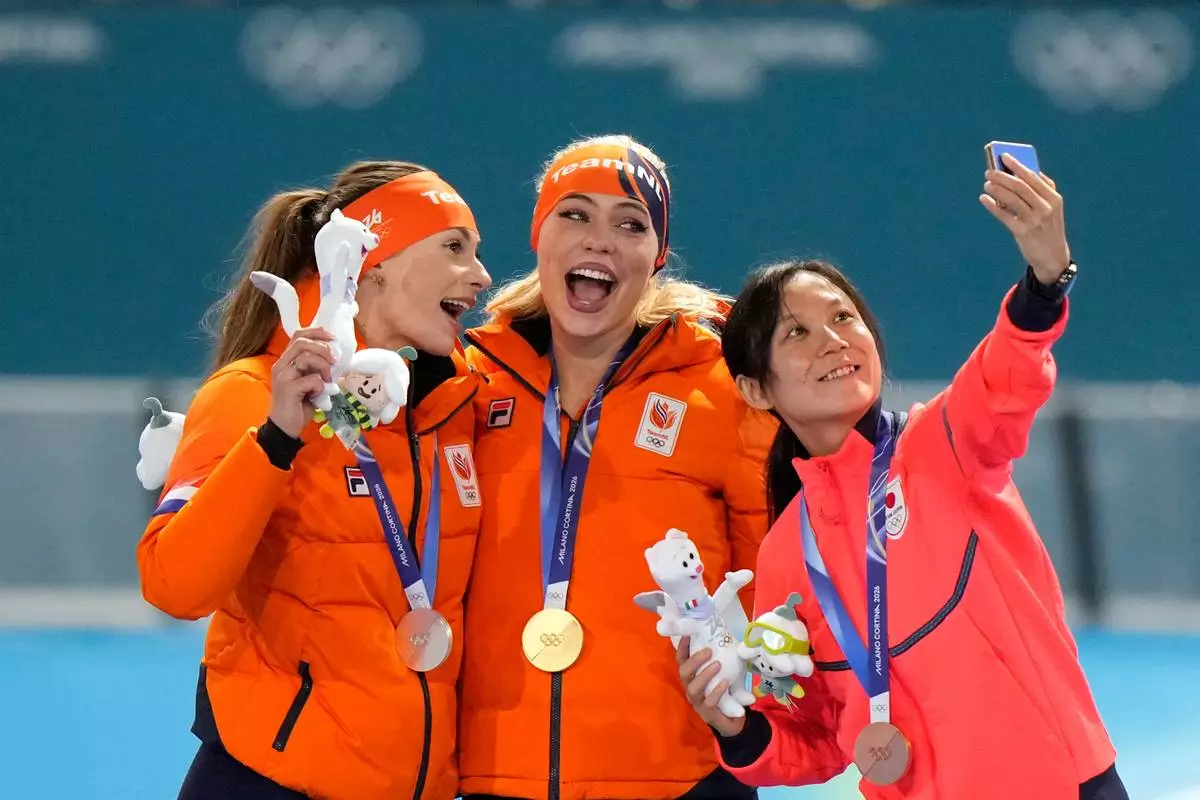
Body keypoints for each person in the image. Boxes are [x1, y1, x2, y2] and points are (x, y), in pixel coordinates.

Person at [675, 154, 1127, 799]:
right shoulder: (785, 554)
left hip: (1056, 785)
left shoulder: (942, 444)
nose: (833, 340)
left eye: (843, 318)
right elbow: (814, 733)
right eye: (797, 333)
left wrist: (1046, 280)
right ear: (754, 388)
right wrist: (734, 727)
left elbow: (1006, 372)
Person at [136, 161, 492, 800]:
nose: (481, 275)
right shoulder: (251, 395)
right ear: (377, 262)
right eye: (454, 247)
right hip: (269, 781)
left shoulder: (454, 412)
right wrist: (275, 439)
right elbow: (174, 585)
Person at [455, 134, 776, 800]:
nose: (599, 239)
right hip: (494, 776)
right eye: (575, 214)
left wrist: (752, 699)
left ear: (656, 257)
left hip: (681, 778)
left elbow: (774, 590)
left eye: (629, 224)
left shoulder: (724, 392)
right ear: (539, 233)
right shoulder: (466, 390)